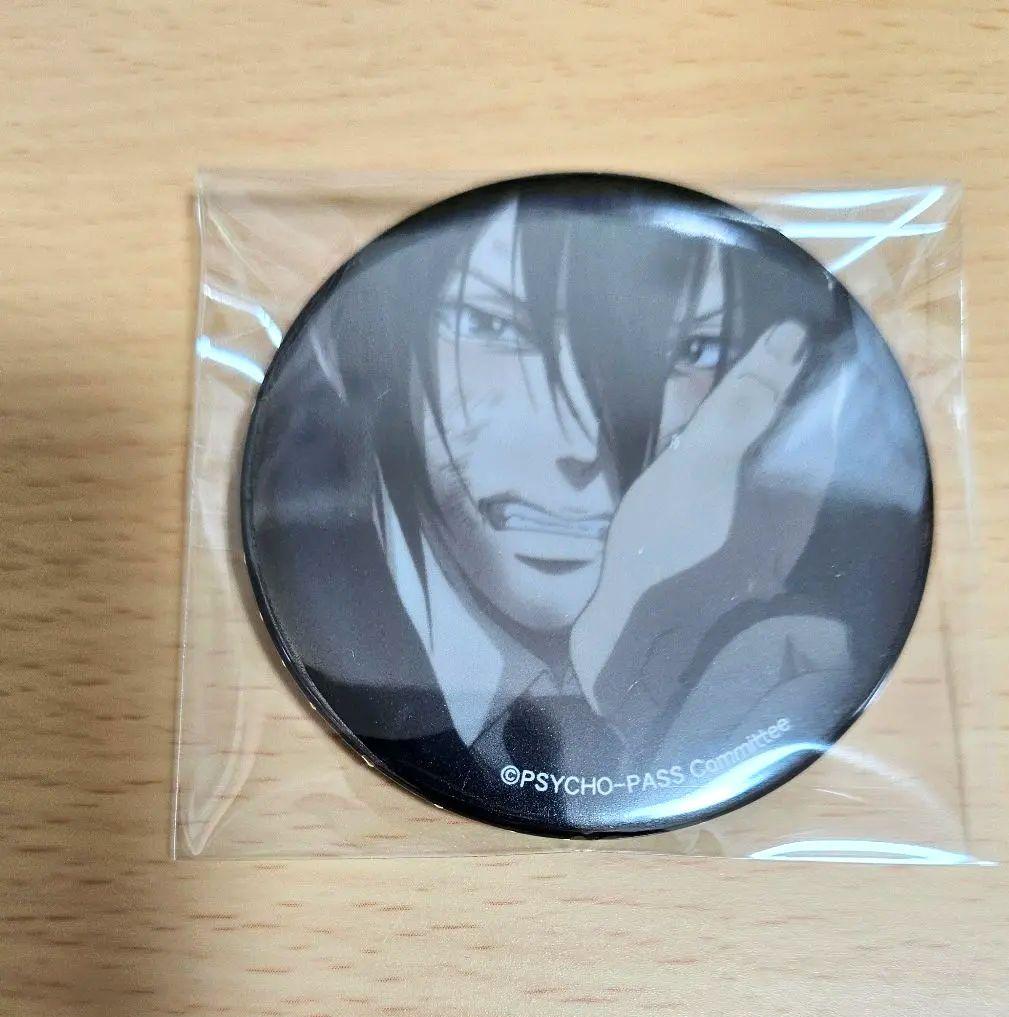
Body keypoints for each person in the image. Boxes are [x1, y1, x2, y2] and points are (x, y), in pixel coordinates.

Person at [244, 175, 930, 834]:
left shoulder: (785, 655)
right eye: (492, 326)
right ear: (359, 349)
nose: (581, 446)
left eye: (695, 349)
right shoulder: (321, 576)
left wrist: (654, 661)